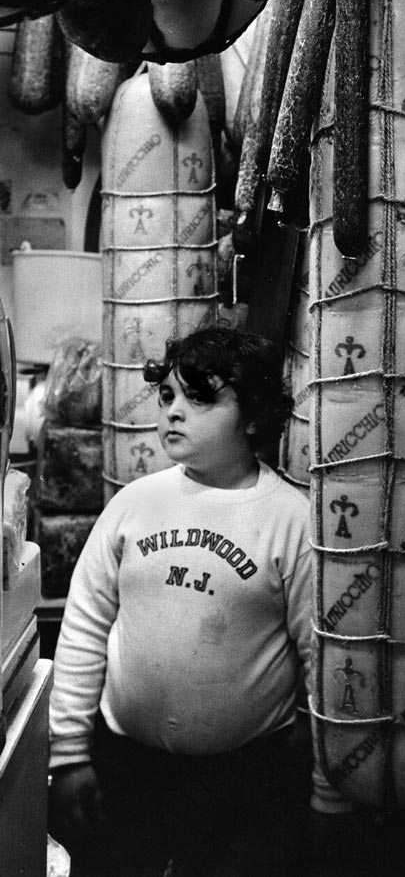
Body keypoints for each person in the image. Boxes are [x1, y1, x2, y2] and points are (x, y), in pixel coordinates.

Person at [48, 324, 352, 877]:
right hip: (123, 762)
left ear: (255, 417)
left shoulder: (290, 520)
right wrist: (67, 753)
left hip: (244, 780)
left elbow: (323, 665)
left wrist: (327, 795)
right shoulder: (134, 504)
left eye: (200, 397)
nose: (173, 412)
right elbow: (85, 625)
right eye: (167, 396)